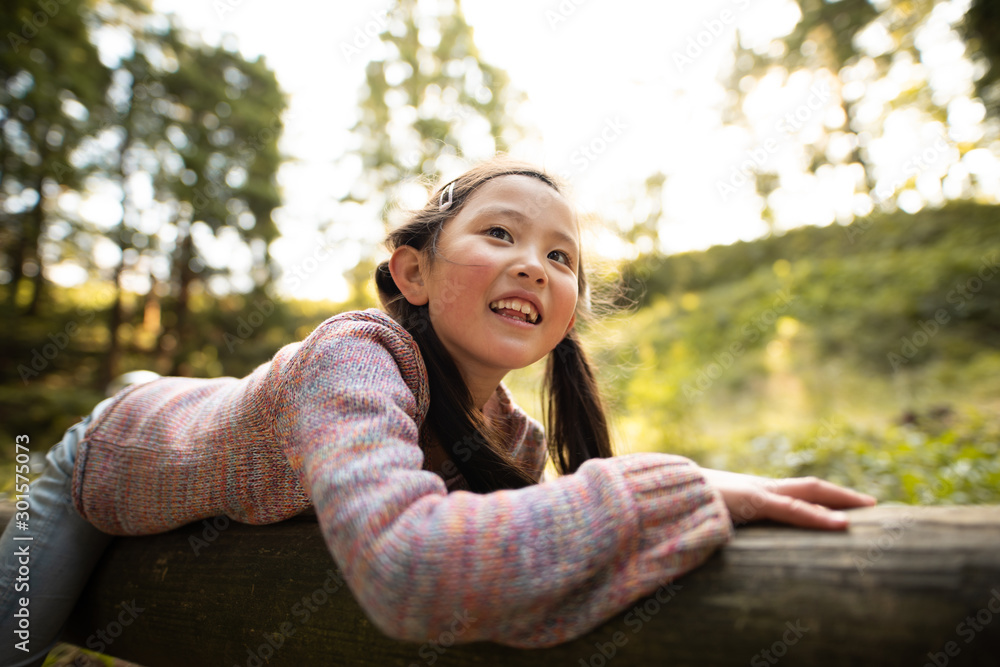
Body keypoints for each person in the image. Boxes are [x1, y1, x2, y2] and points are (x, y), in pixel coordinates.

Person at [0, 158, 876, 665]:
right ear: (412, 272)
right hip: (106, 455)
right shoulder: (354, 355)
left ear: (570, 305)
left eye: (560, 256)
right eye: (499, 234)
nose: (535, 264)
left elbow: (508, 572)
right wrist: (681, 492)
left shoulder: (516, 442)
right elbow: (410, 571)